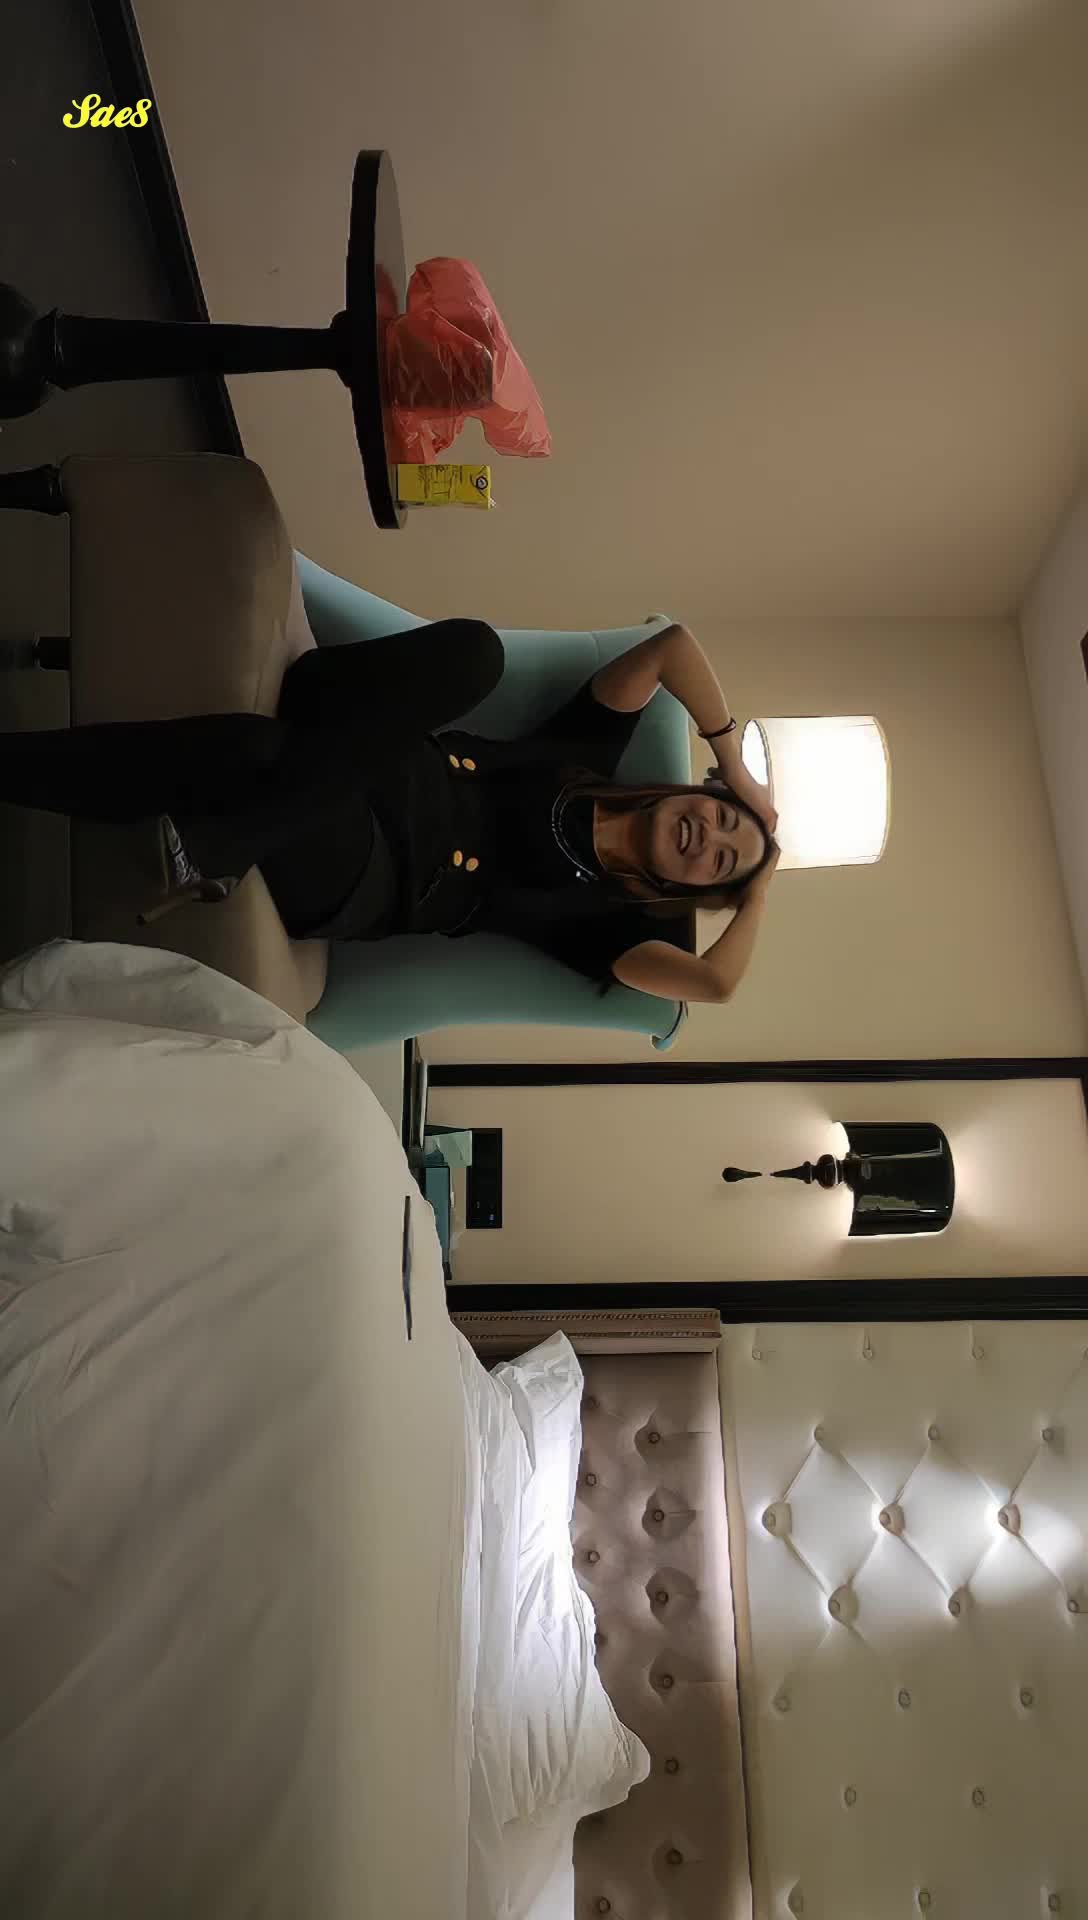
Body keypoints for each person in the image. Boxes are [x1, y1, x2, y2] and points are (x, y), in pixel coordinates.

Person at [0, 616, 779, 1007]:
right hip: (359, 729)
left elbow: (716, 985)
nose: (708, 837)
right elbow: (672, 644)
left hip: (361, 867)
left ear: (686, 890)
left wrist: (761, 880)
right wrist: (739, 767)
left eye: (718, 863)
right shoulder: (589, 750)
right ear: (698, 793)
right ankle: (225, 846)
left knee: (255, 753)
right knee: (477, 655)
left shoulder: (605, 927)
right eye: (721, 818)